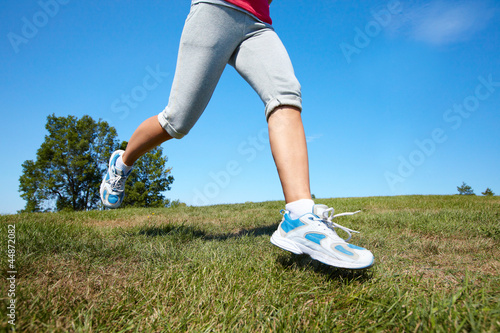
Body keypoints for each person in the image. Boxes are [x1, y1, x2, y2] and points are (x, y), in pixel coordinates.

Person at [100, 0, 374, 269]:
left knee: (285, 96)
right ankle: (122, 164)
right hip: (214, 10)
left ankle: (300, 216)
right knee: (178, 121)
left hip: (259, 23)